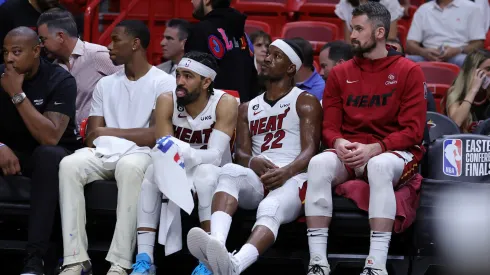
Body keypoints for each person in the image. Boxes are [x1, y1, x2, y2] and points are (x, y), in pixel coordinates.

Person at [304, 3, 426, 275]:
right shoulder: (340, 72)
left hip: (394, 152)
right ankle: (317, 263)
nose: (352, 36)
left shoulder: (408, 71)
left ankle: (376, 265)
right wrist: (337, 143)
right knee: (318, 165)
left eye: (359, 29)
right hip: (351, 149)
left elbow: (413, 131)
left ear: (380, 32)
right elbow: (330, 126)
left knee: (379, 166)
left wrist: (377, 147)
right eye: (352, 28)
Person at [187, 38, 323, 275]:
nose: (267, 58)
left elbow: (311, 150)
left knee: (270, 206)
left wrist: (286, 171)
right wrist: (251, 161)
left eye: (276, 56)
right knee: (229, 171)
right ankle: (217, 246)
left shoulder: (305, 101)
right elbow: (240, 154)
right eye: (267, 53)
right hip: (259, 177)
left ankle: (236, 265)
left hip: (294, 178)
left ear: (291, 68)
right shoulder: (247, 107)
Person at [57, 20, 176, 275]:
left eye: (115, 40)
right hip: (105, 152)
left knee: (130, 166)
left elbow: (155, 135)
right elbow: (91, 136)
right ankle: (75, 259)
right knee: (68, 164)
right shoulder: (106, 84)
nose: (109, 47)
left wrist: (108, 132)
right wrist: (107, 135)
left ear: (135, 44)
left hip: (142, 155)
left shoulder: (164, 83)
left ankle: (120, 262)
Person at [130, 51, 238, 275]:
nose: (180, 81)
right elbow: (165, 147)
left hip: (214, 169)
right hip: (178, 165)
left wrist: (189, 155)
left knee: (206, 174)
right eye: (178, 74)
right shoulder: (167, 100)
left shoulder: (225, 102)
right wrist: (181, 160)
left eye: (188, 76)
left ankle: (209, 260)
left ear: (206, 82)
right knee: (151, 172)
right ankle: (145, 259)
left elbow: (216, 155)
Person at [0, 27, 78, 275]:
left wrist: (16, 94)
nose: (9, 59)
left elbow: (50, 137)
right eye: (5, 53)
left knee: (49, 156)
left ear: (36, 51)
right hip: (9, 151)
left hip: (47, 156)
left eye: (16, 52)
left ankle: (36, 259)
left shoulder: (60, 80)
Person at [37, 9, 120, 132]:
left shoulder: (98, 56)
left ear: (60, 36)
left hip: (100, 138)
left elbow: (133, 82)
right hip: (70, 140)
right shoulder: (54, 68)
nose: (42, 45)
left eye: (43, 40)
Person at [186, 0, 259, 103]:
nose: (192, 1)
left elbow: (191, 82)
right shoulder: (243, 35)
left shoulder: (200, 31)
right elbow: (252, 82)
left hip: (213, 112)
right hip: (243, 110)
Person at [405, 0, 486, 67]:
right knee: (404, 62)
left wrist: (459, 50)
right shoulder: (423, 9)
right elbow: (410, 44)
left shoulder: (471, 8)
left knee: (466, 61)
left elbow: (478, 44)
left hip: (459, 54)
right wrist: (423, 51)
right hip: (427, 56)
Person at [445, 49, 490, 132]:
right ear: (472, 71)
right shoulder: (455, 91)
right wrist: (473, 90)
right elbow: (456, 122)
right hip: (463, 142)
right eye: (488, 69)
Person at [335, 0, 404, 42]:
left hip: (383, 51)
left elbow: (391, 40)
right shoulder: (345, 1)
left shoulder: (389, 1)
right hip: (357, 52)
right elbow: (349, 42)